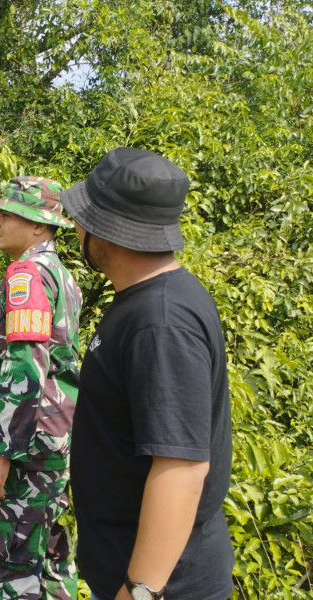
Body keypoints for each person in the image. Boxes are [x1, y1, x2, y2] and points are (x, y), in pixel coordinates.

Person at [60, 147, 234, 600]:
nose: (76, 227)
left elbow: (181, 466)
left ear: (109, 230)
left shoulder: (160, 322)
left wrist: (139, 591)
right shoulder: (149, 300)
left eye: (83, 216)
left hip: (164, 586)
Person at [0, 177, 82, 600]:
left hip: (29, 447)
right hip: (57, 438)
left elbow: (30, 369)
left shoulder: (26, 275)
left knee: (11, 569)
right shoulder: (59, 274)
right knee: (48, 559)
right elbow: (52, 349)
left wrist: (2, 453)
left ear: (38, 225)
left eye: (7, 214)